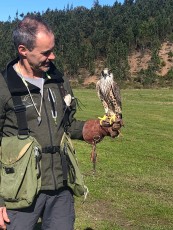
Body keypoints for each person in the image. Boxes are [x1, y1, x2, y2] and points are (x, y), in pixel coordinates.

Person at [0, 15, 121, 230]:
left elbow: (67, 125)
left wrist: (98, 128)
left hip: (60, 186)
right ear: (23, 50)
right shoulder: (4, 86)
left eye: (53, 49)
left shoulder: (59, 81)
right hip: (18, 189)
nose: (52, 56)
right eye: (45, 53)